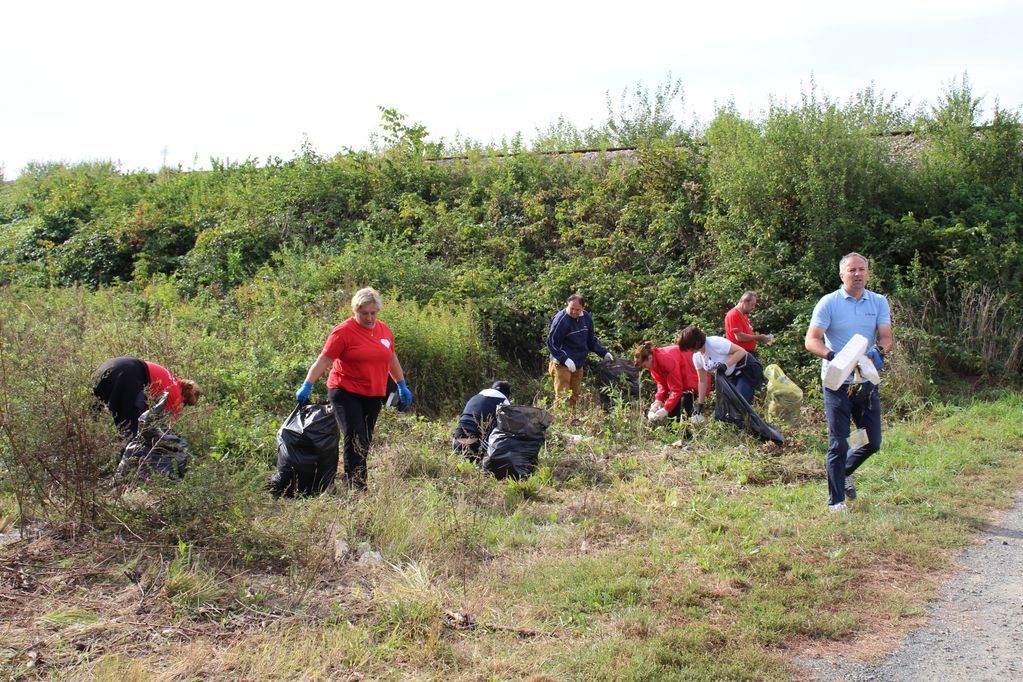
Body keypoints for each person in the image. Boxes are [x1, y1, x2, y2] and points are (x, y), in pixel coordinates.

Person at [295, 287, 413, 490]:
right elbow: (325, 359)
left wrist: (402, 384)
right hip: (345, 391)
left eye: (373, 313)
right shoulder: (343, 332)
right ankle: (357, 486)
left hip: (373, 392)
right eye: (364, 313)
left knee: (365, 438)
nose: (369, 318)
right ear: (355, 311)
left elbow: (391, 358)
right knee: (355, 435)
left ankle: (353, 476)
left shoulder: (384, 330)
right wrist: (308, 384)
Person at [805, 253, 892, 514]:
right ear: (842, 275)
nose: (857, 274)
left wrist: (879, 350)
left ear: (868, 273)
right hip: (836, 381)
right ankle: (836, 502)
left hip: (864, 380)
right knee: (839, 442)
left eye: (862, 269)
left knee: (872, 441)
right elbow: (812, 340)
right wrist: (834, 357)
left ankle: (842, 472)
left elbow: (886, 336)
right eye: (852, 270)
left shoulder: (878, 301)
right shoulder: (828, 303)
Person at [92, 356, 201, 436]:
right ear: (185, 398)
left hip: (110, 365)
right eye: (185, 404)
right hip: (128, 374)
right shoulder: (176, 396)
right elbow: (166, 429)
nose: (182, 406)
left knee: (90, 417)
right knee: (131, 429)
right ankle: (130, 465)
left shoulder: (171, 379)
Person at [546, 293, 613, 409]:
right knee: (563, 397)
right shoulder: (561, 320)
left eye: (577, 309)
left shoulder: (586, 318)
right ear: (568, 305)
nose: (574, 312)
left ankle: (570, 422)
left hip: (578, 363)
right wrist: (565, 359)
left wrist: (604, 353)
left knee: (574, 395)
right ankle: (559, 423)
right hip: (561, 364)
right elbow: (552, 343)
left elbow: (590, 339)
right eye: (571, 308)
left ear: (583, 308)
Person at [677, 325, 762, 413]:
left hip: (745, 370)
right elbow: (702, 381)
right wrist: (700, 404)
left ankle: (747, 424)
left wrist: (725, 365)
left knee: (738, 404)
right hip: (729, 376)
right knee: (721, 413)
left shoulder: (715, 343)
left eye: (688, 346)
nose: (688, 350)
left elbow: (741, 351)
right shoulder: (697, 357)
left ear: (696, 342)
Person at [632, 342, 699, 422]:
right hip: (682, 377)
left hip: (692, 374)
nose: (645, 368)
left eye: (644, 365)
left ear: (649, 358)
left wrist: (666, 409)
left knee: (684, 410)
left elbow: (677, 389)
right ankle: (677, 432)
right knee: (673, 415)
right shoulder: (653, 363)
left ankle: (687, 432)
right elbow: (661, 383)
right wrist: (658, 401)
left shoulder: (666, 360)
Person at [452, 381, 512, 461]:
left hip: (457, 443)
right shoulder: (503, 401)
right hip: (475, 446)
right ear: (507, 394)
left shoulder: (475, 397)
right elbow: (507, 428)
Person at [724, 291, 773, 357]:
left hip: (747, 353)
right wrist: (759, 337)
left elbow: (747, 334)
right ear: (745, 302)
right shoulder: (734, 314)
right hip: (740, 355)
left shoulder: (743, 315)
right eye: (752, 304)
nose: (753, 307)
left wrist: (762, 338)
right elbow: (739, 337)